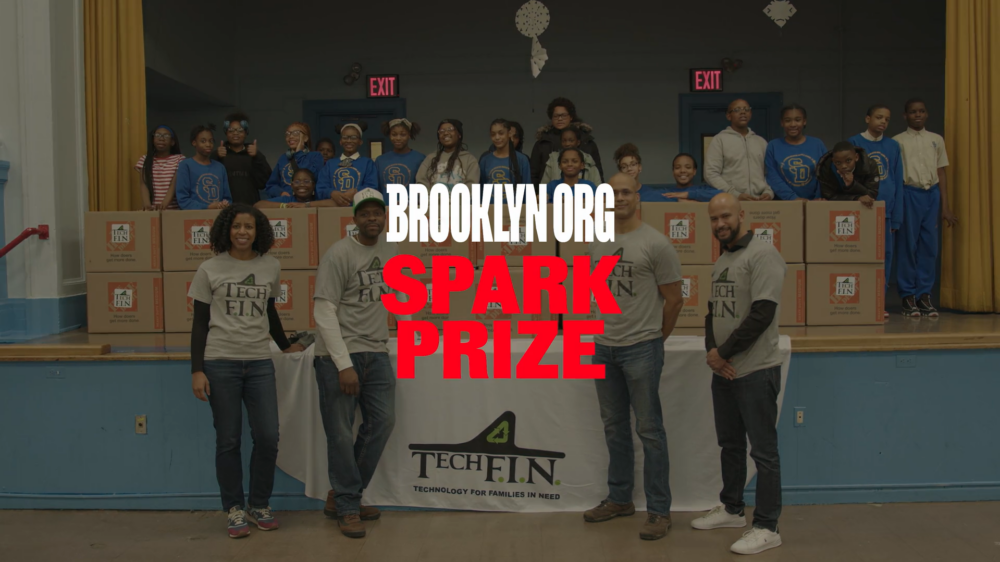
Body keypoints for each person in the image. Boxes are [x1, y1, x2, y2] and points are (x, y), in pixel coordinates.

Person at [188, 203, 305, 538]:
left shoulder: (270, 266)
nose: (243, 232)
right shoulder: (209, 269)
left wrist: (284, 346)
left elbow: (270, 312)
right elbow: (199, 324)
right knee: (228, 440)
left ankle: (258, 503)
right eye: (237, 226)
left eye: (249, 227)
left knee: (268, 436)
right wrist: (197, 370)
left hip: (258, 363)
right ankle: (234, 509)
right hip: (220, 362)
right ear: (227, 229)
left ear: (259, 232)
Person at [583, 173, 684, 541]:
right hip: (603, 347)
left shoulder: (656, 244)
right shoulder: (597, 241)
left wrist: (656, 339)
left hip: (642, 346)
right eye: (613, 193)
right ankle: (620, 498)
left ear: (637, 196)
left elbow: (674, 300)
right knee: (614, 427)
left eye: (626, 191)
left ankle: (659, 511)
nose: (619, 198)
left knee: (650, 430)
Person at [313, 189, 410, 539]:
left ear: (385, 217)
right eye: (365, 213)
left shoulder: (389, 249)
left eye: (378, 213)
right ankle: (349, 506)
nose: (372, 218)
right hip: (338, 355)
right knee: (339, 434)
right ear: (353, 219)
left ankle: (342, 495)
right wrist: (343, 364)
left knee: (383, 422)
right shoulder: (338, 254)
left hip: (376, 350)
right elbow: (323, 311)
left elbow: (395, 295)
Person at [693, 192, 786, 556]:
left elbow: (762, 314)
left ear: (741, 215)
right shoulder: (722, 260)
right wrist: (712, 353)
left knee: (764, 453)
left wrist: (723, 354)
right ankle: (732, 509)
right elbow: (712, 313)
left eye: (726, 217)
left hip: (755, 370)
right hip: (726, 370)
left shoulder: (763, 254)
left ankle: (767, 526)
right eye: (714, 219)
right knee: (729, 444)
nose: (720, 224)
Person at [894, 98, 955, 318]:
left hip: (932, 194)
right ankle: (908, 295)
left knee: (929, 246)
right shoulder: (898, 141)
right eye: (912, 112)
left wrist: (945, 207)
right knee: (908, 245)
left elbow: (941, 173)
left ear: (927, 114)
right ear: (905, 116)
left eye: (921, 111)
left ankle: (924, 295)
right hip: (910, 193)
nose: (917, 115)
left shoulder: (936, 140)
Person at [850, 105, 903, 319]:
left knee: (884, 258)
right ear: (867, 118)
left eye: (887, 119)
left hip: (886, 211)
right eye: (879, 117)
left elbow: (897, 180)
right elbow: (848, 176)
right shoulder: (854, 142)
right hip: (863, 210)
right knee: (861, 257)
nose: (883, 122)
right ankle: (860, 300)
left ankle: (879, 301)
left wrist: (896, 217)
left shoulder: (893, 146)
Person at [705, 99, 773, 201]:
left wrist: (769, 192)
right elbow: (710, 174)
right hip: (730, 201)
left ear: (750, 113)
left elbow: (770, 173)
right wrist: (734, 194)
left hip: (759, 201)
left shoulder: (761, 142)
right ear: (728, 116)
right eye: (737, 110)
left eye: (746, 109)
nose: (743, 112)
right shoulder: (719, 140)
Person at [529, 97, 603, 184]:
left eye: (563, 115)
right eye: (556, 116)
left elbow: (598, 172)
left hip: (584, 194)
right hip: (550, 193)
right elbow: (534, 174)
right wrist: (539, 195)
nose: (559, 119)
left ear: (571, 117)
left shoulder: (586, 141)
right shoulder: (543, 143)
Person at [765, 104, 827, 201]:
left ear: (804, 121)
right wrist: (793, 198)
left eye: (797, 120)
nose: (793, 124)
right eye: (787, 120)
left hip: (815, 203)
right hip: (783, 204)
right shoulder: (773, 146)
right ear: (782, 123)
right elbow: (773, 177)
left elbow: (825, 175)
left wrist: (819, 197)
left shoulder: (817, 144)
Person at [214, 112, 272, 206]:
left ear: (246, 133)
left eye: (240, 130)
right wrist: (216, 156)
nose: (235, 133)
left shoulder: (254, 154)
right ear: (226, 132)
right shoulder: (218, 154)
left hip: (250, 207)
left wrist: (257, 156)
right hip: (224, 208)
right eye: (231, 130)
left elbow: (265, 182)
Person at [317, 122, 379, 206]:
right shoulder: (330, 164)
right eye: (345, 137)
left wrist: (356, 191)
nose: (349, 141)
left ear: (360, 141)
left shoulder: (367, 163)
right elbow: (321, 187)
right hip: (333, 211)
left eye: (353, 137)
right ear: (340, 141)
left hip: (360, 208)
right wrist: (331, 193)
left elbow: (372, 187)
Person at [175, 125, 232, 210]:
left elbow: (227, 198)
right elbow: (183, 200)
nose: (208, 144)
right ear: (194, 142)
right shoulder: (185, 165)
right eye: (203, 141)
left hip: (218, 218)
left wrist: (224, 204)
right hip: (194, 219)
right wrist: (208, 207)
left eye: (211, 141)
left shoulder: (220, 167)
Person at [264, 122, 325, 199]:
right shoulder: (283, 158)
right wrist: (281, 192)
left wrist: (299, 153)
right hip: (287, 203)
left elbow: (314, 178)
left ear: (305, 138)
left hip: (309, 202)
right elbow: (271, 185)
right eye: (287, 134)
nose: (290, 136)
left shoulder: (315, 156)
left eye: (295, 133)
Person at [633, 150, 721, 202]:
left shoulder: (703, 190)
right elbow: (644, 197)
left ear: (694, 171)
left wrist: (688, 194)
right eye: (678, 167)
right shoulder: (667, 192)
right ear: (673, 172)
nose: (683, 171)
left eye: (688, 167)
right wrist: (679, 200)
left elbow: (721, 195)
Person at [416, 119, 480, 190]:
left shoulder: (469, 159)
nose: (445, 133)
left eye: (450, 129)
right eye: (441, 131)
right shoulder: (430, 158)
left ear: (459, 135)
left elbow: (471, 185)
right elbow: (421, 182)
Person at [479, 119, 531, 203]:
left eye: (501, 133)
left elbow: (527, 189)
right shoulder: (485, 160)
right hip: (490, 211)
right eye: (493, 134)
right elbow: (480, 189)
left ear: (509, 133)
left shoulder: (522, 159)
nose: (497, 137)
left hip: (515, 211)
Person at [135, 125, 184, 210]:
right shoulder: (145, 159)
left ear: (172, 142)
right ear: (153, 140)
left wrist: (164, 204)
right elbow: (144, 184)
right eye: (158, 135)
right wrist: (147, 205)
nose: (161, 138)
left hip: (173, 210)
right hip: (151, 210)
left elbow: (174, 184)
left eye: (166, 136)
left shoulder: (180, 159)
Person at [818, 142, 879, 207]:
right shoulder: (826, 168)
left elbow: (871, 196)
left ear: (856, 157)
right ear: (833, 161)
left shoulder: (869, 165)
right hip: (836, 207)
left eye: (848, 160)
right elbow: (829, 197)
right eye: (838, 162)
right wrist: (856, 198)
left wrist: (852, 184)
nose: (844, 166)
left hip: (863, 207)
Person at [375, 119, 425, 197]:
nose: (398, 138)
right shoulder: (380, 160)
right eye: (394, 134)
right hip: (386, 207)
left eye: (403, 134)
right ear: (389, 135)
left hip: (411, 207)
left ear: (409, 135)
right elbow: (376, 189)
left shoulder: (420, 159)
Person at [254, 169, 335, 209]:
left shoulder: (318, 199)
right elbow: (258, 205)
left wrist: (306, 205)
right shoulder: (287, 200)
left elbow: (335, 204)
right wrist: (285, 206)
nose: (302, 185)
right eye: (297, 182)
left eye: (306, 181)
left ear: (313, 185)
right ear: (292, 186)